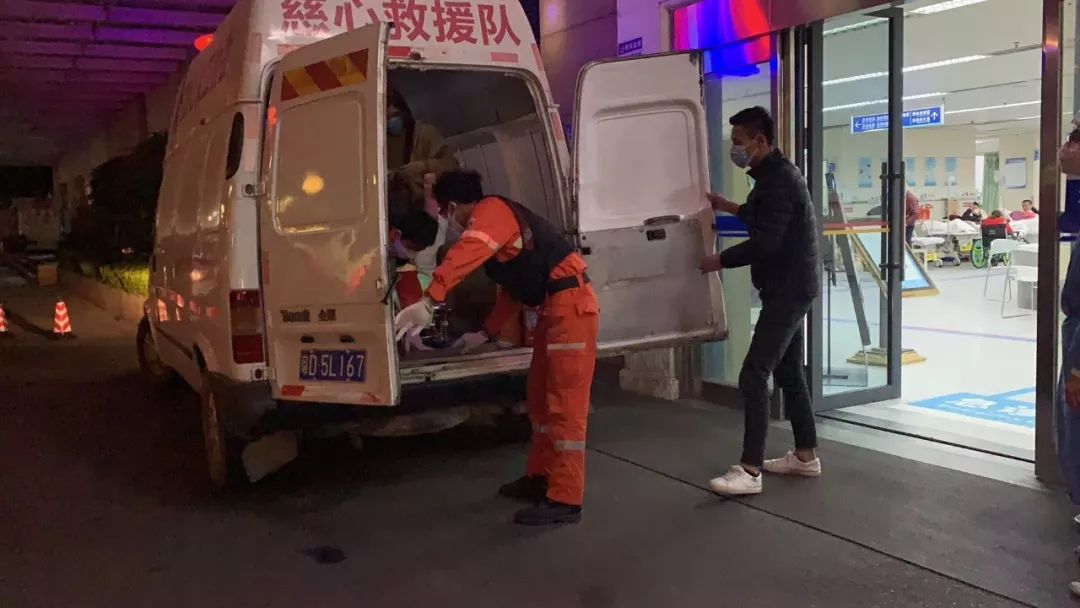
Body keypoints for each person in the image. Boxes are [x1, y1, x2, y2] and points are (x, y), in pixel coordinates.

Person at [394, 170, 599, 525]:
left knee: (564, 404)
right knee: (539, 399)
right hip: (554, 308)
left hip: (571, 308)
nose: (447, 221)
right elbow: (514, 291)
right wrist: (486, 333)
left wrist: (430, 299)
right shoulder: (500, 228)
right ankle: (541, 478)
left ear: (453, 206)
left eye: (443, 212)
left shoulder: (491, 213)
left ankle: (566, 498)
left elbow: (467, 252)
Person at [699, 106, 821, 496]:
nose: (735, 149)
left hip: (789, 289)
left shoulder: (779, 179)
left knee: (754, 374)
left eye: (739, 142)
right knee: (789, 373)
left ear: (761, 141)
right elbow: (759, 216)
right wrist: (725, 205)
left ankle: (750, 470)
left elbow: (767, 241)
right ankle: (805, 456)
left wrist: (718, 261)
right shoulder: (771, 175)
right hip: (790, 286)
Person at [387, 89, 460, 203]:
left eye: (395, 115)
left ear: (404, 112)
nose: (391, 121)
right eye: (386, 118)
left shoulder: (425, 133)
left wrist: (421, 167)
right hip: (407, 205)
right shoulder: (382, 146)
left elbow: (451, 165)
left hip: (435, 200)